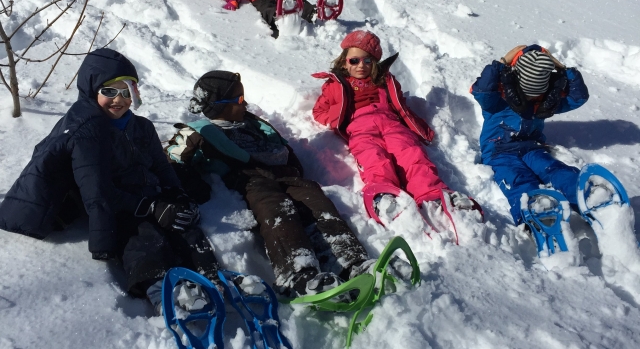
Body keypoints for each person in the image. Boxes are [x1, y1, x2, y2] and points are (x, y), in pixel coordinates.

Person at [0, 48, 215, 312]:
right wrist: (149, 208)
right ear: (92, 91)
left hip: (146, 192)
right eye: (109, 91)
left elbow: (161, 165)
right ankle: (161, 289)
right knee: (141, 236)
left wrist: (175, 192)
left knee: (185, 226)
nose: (119, 100)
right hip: (116, 203)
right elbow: (98, 192)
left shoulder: (142, 126)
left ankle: (214, 277)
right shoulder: (89, 132)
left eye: (127, 92)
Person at [166, 70, 374, 297]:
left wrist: (293, 170)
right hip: (249, 181)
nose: (245, 104)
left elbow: (283, 150)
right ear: (218, 106)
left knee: (314, 198)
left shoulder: (253, 124)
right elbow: (170, 161)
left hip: (283, 175)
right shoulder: (201, 132)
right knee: (276, 208)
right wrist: (193, 185)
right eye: (239, 99)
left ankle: (349, 259)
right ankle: (297, 272)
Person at [311, 30, 477, 219]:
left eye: (367, 60)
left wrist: (417, 125)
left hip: (391, 123)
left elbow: (399, 104)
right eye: (354, 61)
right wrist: (340, 114)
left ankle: (431, 192)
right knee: (373, 156)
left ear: (374, 63)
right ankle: (383, 194)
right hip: (359, 127)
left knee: (411, 152)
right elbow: (319, 112)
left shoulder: (384, 80)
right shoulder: (335, 85)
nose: (361, 66)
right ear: (344, 61)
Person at [470, 44, 589, 224]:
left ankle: (585, 196)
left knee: (555, 169)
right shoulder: (497, 100)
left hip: (532, 149)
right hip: (499, 152)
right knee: (519, 180)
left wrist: (564, 70)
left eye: (537, 95)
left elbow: (578, 98)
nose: (532, 99)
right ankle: (534, 212)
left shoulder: (544, 102)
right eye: (527, 93)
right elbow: (481, 90)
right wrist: (502, 62)